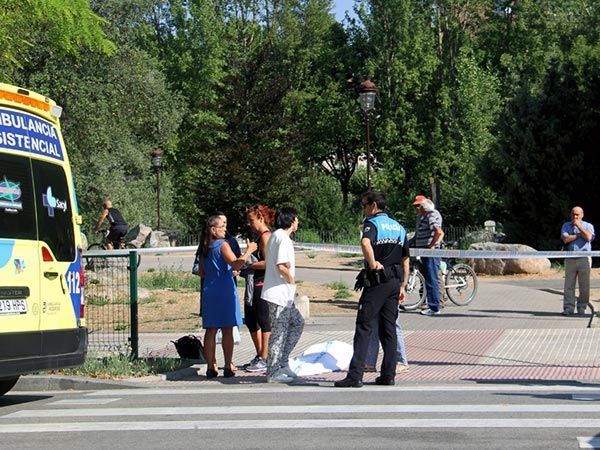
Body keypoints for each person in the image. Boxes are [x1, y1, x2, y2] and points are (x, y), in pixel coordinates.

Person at [335, 190, 409, 388]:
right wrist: (403, 285)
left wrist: (373, 263)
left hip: (377, 281)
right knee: (389, 330)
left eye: (364, 205)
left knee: (364, 326)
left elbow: (365, 242)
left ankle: (355, 376)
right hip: (395, 282)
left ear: (373, 206)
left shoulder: (372, 224)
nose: (363, 209)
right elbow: (405, 258)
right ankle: (388, 375)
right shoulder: (399, 227)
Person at [197, 215, 257, 378]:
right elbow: (236, 263)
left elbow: (201, 272)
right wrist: (249, 251)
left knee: (210, 330)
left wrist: (218, 271)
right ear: (213, 229)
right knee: (227, 329)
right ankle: (228, 365)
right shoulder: (222, 245)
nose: (225, 229)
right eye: (222, 226)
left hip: (209, 290)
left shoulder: (204, 247)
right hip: (224, 290)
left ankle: (211, 366)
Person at [261, 207, 305, 383]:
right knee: (279, 333)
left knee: (297, 322)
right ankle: (272, 371)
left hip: (284, 295)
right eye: (297, 219)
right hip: (279, 294)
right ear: (292, 220)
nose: (298, 222)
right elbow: (281, 266)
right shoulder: (282, 238)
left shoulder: (277, 236)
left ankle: (283, 361)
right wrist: (292, 280)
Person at [243, 204, 276, 372]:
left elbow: (269, 263)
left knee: (263, 319)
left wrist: (249, 263)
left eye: (251, 221)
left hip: (262, 282)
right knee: (250, 319)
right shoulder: (257, 237)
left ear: (261, 219)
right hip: (252, 281)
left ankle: (265, 356)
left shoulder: (265, 237)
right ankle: (259, 354)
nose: (249, 224)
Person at [412, 195, 445, 316]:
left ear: (423, 206)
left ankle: (435, 307)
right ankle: (430, 303)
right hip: (423, 251)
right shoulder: (422, 216)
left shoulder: (431, 215)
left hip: (430, 252)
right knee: (428, 278)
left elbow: (439, 232)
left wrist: (432, 245)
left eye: (418, 206)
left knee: (432, 278)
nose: (417, 209)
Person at [561, 206, 595, 316]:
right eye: (573, 214)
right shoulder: (566, 225)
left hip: (584, 258)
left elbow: (589, 237)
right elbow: (566, 239)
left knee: (584, 285)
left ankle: (582, 308)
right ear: (570, 215)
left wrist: (579, 226)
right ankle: (568, 308)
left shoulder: (588, 226)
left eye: (577, 214)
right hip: (570, 259)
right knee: (569, 285)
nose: (575, 217)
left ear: (582, 215)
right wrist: (579, 235)